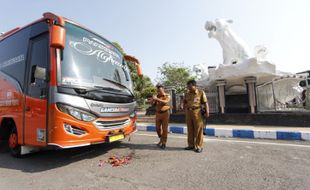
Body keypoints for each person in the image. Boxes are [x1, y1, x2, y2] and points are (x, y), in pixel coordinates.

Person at [183, 80, 209, 153]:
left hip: (197, 112)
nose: (188, 88)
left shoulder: (201, 92)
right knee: (190, 129)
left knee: (198, 129)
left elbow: (205, 103)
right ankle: (191, 145)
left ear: (194, 86)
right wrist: (183, 107)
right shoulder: (187, 93)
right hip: (188, 112)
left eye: (190, 86)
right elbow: (184, 101)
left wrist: (207, 111)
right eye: (188, 86)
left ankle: (199, 146)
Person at [148, 85, 171, 149]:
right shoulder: (157, 96)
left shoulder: (167, 95)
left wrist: (157, 99)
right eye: (158, 90)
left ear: (163, 89)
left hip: (165, 113)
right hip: (158, 114)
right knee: (157, 128)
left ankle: (164, 143)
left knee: (165, 129)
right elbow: (152, 104)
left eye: (160, 90)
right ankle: (161, 139)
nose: (159, 92)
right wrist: (152, 100)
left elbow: (166, 101)